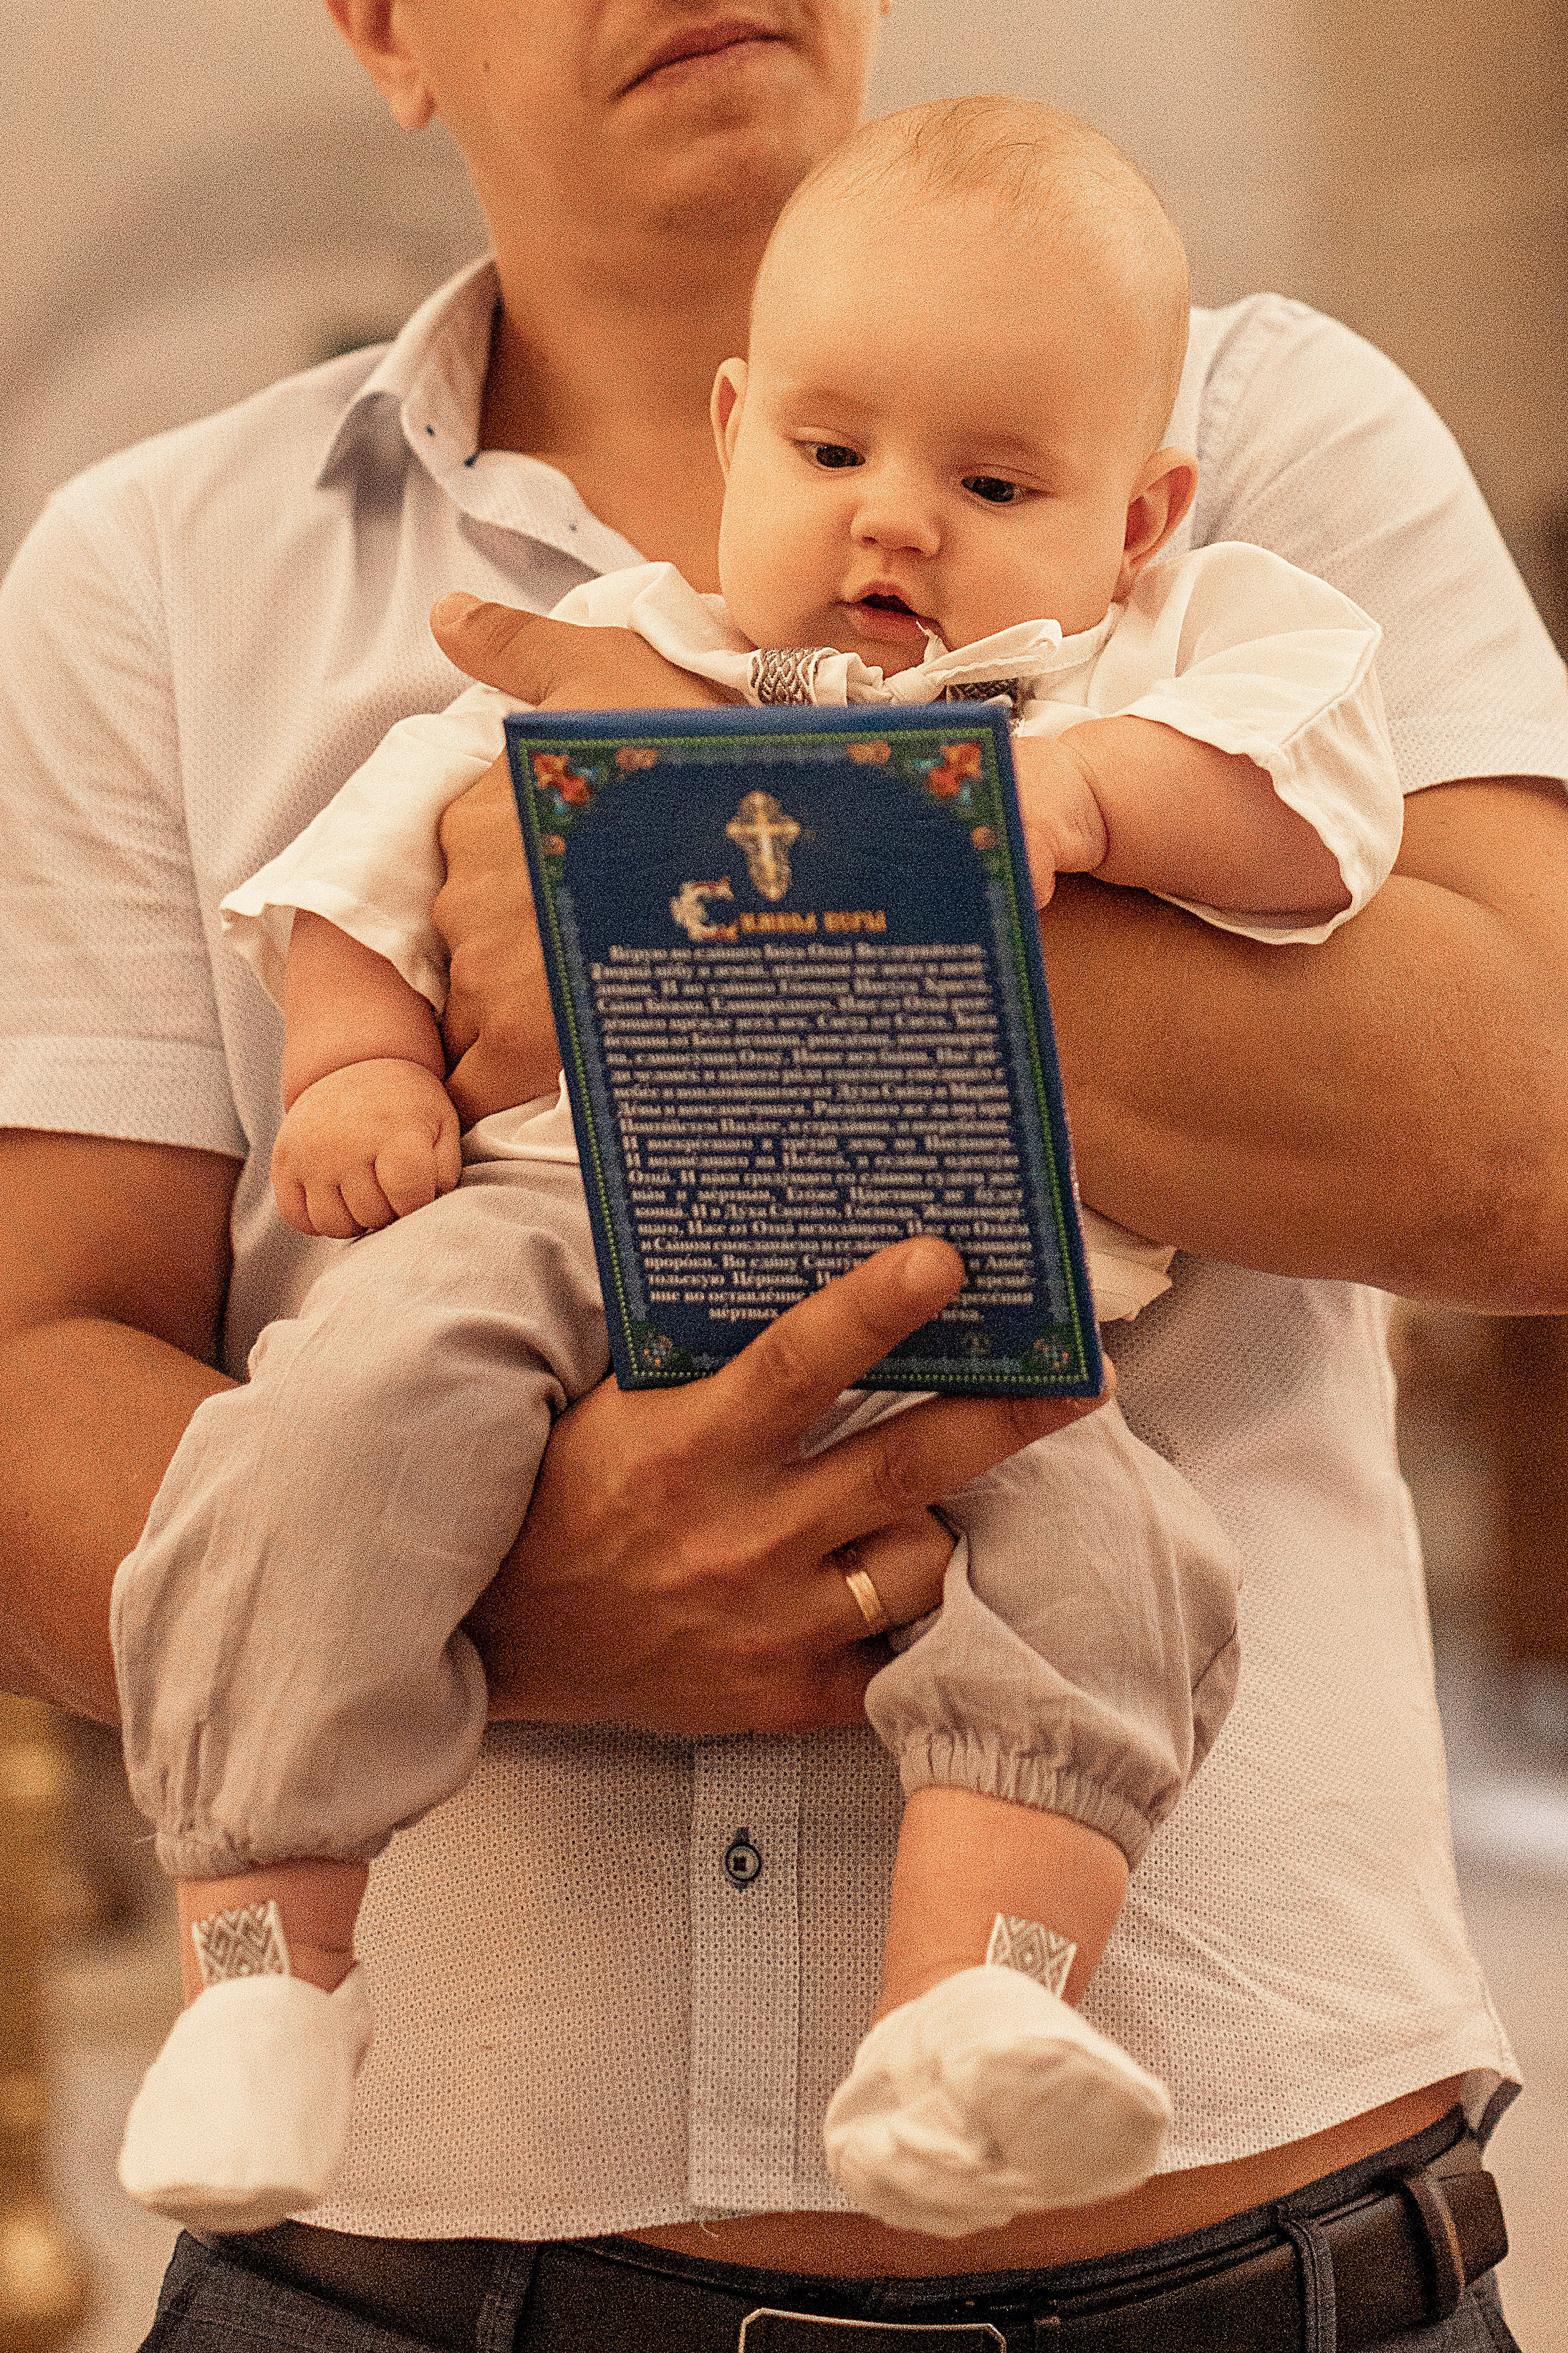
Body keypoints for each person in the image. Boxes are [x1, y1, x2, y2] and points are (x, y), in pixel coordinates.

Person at [2, 1, 1566, 2344]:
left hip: (1261, 2269)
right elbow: (31, 1369)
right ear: (380, 26)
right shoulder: (155, 567)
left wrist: (735, 903)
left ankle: (987, 1991)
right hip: (414, 2290)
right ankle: (274, 1964)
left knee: (1099, 1543)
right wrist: (512, 1594)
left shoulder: (1252, 450)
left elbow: (1535, 1147)